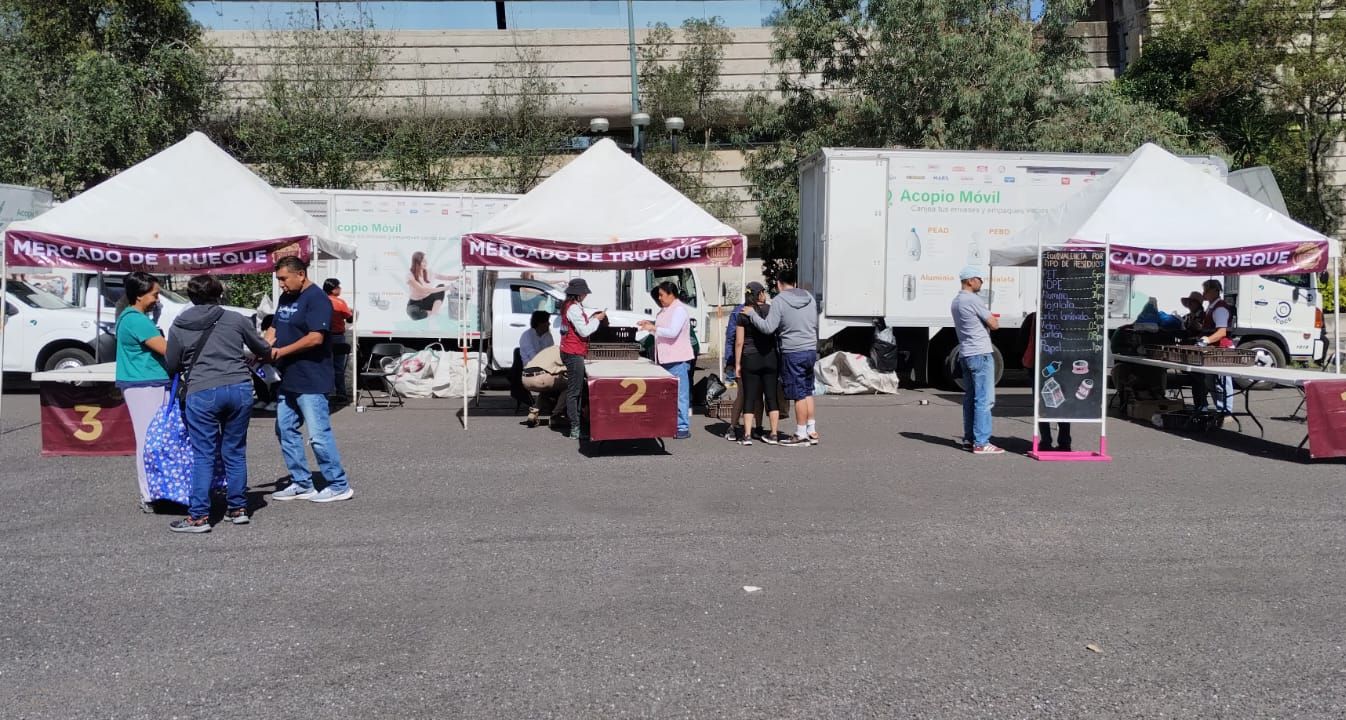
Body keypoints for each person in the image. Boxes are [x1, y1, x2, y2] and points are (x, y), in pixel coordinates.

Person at [163, 275, 273, 533]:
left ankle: (199, 517)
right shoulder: (236, 319)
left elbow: (171, 364)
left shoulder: (179, 324)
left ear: (191, 297)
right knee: (234, 450)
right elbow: (262, 348)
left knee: (204, 455)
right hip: (239, 388)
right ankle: (238, 509)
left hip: (201, 391)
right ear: (219, 294)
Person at [268, 256, 354, 503]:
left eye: (284, 279)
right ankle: (301, 483)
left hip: (312, 378)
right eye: (279, 280)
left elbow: (315, 338)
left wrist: (280, 352)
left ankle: (338, 484)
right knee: (285, 430)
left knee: (318, 434)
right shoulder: (286, 297)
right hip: (288, 377)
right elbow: (275, 328)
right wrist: (262, 348)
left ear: (301, 274)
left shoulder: (317, 299)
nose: (281, 284)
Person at [114, 271, 170, 513]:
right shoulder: (136, 320)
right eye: (154, 294)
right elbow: (165, 348)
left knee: (154, 439)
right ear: (139, 295)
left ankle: (157, 491)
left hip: (147, 382)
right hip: (144, 383)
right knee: (149, 440)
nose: (157, 299)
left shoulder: (132, 317)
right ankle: (148, 494)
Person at [745, 267, 819, 447]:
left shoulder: (779, 300)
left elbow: (768, 327)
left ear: (778, 283)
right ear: (795, 282)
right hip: (810, 349)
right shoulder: (809, 297)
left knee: (798, 394)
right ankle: (811, 430)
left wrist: (752, 315)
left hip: (793, 351)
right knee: (808, 390)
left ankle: (800, 433)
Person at [952, 266, 1003, 455]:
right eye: (979, 279)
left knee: (970, 398)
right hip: (980, 353)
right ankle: (982, 442)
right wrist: (991, 320)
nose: (982, 282)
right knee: (984, 399)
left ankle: (969, 439)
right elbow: (994, 324)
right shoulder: (973, 299)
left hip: (965, 353)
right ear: (970, 280)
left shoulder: (956, 301)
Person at [639, 281, 694, 440]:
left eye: (662, 295)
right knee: (665, 395)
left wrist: (653, 328)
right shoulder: (664, 311)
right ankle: (669, 424)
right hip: (664, 359)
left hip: (677, 359)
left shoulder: (679, 310)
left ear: (671, 294)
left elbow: (672, 332)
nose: (660, 298)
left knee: (680, 395)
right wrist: (650, 325)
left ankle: (682, 427)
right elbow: (661, 332)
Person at [733, 281, 781, 445]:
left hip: (750, 358)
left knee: (750, 397)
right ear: (760, 293)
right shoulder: (771, 310)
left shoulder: (743, 313)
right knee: (771, 397)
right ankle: (774, 433)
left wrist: (737, 364)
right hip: (770, 358)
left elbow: (739, 342)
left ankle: (747, 435)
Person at [559, 278, 606, 440]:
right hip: (573, 352)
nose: (586, 295)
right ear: (578, 294)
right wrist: (597, 320)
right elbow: (584, 331)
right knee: (574, 392)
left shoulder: (569, 306)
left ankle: (576, 424)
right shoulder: (573, 309)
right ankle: (575, 427)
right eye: (584, 292)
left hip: (570, 350)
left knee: (576, 391)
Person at [1021, 312, 1071, 452]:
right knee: (1063, 403)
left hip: (1038, 367)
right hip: (1062, 366)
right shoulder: (1065, 317)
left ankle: (1045, 441)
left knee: (1041, 403)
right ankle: (1065, 441)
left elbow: (1021, 342)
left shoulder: (1033, 318)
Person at [1191, 278, 1236, 415]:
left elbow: (1222, 332)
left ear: (1215, 291)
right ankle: (1220, 409)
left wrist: (1206, 340)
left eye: (1206, 290)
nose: (1204, 293)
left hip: (1222, 349)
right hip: (1214, 349)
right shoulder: (1212, 307)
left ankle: (1225, 410)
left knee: (1221, 381)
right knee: (1211, 382)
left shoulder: (1220, 308)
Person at [519, 310, 556, 427]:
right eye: (547, 322)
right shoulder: (527, 335)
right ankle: (556, 414)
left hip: (545, 368)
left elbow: (550, 353)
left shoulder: (548, 336)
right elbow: (533, 357)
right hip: (531, 370)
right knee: (558, 384)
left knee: (553, 382)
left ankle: (535, 411)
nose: (549, 325)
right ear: (540, 323)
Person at [324, 278, 353, 401]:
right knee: (338, 367)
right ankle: (341, 393)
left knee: (324, 365)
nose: (340, 289)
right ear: (333, 289)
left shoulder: (320, 300)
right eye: (338, 287)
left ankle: (326, 392)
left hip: (323, 337)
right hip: (337, 337)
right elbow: (349, 319)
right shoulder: (340, 302)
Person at [406, 251, 447, 320]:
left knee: (441, 286)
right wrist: (446, 288)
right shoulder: (410, 275)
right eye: (423, 261)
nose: (426, 263)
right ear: (417, 263)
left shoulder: (429, 271)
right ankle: (432, 313)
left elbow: (446, 277)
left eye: (426, 261)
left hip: (428, 301)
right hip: (414, 303)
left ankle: (434, 314)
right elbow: (423, 290)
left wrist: (460, 276)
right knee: (414, 314)